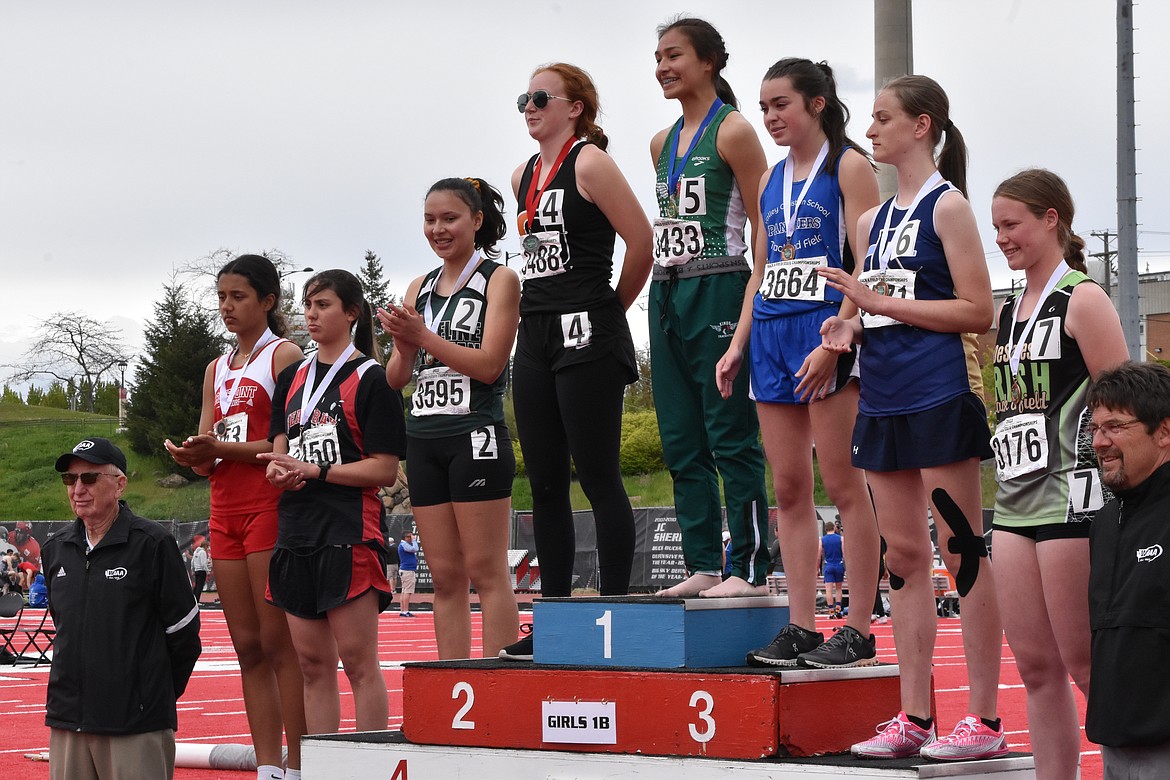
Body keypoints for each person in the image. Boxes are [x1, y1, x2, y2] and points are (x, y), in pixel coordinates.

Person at [818, 75, 1005, 759]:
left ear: (921, 126)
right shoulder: (870, 221)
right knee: (903, 556)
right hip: (883, 395)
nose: (870, 130)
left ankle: (983, 721)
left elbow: (977, 311)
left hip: (938, 390)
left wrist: (882, 306)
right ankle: (914, 716)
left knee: (962, 550)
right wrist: (849, 326)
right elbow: (870, 302)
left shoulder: (947, 207)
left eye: (882, 118)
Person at [729, 58, 882, 669]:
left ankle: (860, 627)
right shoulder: (768, 179)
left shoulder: (849, 165)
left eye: (781, 105)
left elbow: (870, 263)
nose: (770, 117)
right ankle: (800, 624)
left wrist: (840, 336)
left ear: (817, 104)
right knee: (788, 490)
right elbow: (761, 267)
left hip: (826, 333)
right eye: (764, 107)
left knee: (844, 485)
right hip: (771, 333)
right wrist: (738, 343)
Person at [500, 62, 653, 661]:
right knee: (543, 482)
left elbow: (640, 239)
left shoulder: (589, 161)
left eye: (541, 97)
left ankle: (612, 605)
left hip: (587, 324)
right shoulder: (521, 176)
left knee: (596, 473)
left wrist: (612, 306)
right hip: (534, 332)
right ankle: (556, 615)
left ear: (575, 108)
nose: (530, 107)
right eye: (524, 98)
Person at [987, 169, 1127, 778]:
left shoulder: (1083, 298)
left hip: (1073, 500)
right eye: (995, 228)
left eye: (1012, 225)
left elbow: (1128, 403)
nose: (1002, 238)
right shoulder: (1009, 308)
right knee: (1036, 668)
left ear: (1052, 219)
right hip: (1014, 504)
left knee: (1086, 662)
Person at [165, 253, 308, 780]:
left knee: (277, 643)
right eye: (221, 297)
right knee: (247, 646)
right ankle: (267, 764)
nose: (227, 307)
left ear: (268, 301)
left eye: (238, 297)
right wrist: (194, 454)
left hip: (268, 507)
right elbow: (212, 450)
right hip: (223, 509)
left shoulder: (284, 354)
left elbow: (283, 443)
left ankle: (298, 761)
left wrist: (222, 449)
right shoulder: (214, 368)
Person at [647, 17, 771, 600]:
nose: (663, 68)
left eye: (674, 56)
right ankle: (701, 560)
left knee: (729, 432)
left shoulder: (736, 131)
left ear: (709, 62)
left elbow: (766, 227)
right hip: (666, 290)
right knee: (680, 436)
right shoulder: (660, 143)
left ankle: (748, 567)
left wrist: (752, 307)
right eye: (657, 58)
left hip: (721, 284)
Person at [260, 269, 407, 735]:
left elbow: (384, 469)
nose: (311, 314)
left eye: (323, 304)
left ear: (351, 313)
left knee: (359, 665)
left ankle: (367, 767)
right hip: (296, 530)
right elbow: (280, 450)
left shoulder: (373, 379)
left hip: (348, 531)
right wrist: (279, 469)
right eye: (307, 304)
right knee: (311, 667)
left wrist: (317, 471)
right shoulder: (291, 377)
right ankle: (322, 766)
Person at [382, 176, 521, 658]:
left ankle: (501, 686)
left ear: (477, 221)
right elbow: (397, 378)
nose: (438, 229)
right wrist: (404, 346)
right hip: (423, 436)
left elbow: (489, 365)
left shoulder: (498, 279)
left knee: (486, 570)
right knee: (443, 576)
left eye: (449, 219)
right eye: (429, 220)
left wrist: (424, 338)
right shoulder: (418, 288)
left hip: (474, 434)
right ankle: (453, 681)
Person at [43, 437, 201, 780]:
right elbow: (65, 626)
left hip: (136, 725)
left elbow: (184, 635)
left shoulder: (153, 544)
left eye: (89, 478)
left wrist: (149, 697)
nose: (77, 489)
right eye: (70, 480)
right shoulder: (55, 549)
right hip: (69, 722)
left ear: (120, 484)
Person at [1084, 362, 1170, 778]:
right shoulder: (1105, 521)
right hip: (1116, 743)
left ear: (1163, 432)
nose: (1099, 442)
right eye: (1096, 428)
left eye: (1115, 426)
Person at [820, 521, 845, 618]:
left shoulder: (822, 540)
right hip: (839, 564)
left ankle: (831, 611)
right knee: (839, 588)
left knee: (829, 590)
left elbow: (819, 556)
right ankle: (838, 609)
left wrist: (817, 569)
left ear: (825, 529)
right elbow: (844, 553)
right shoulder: (841, 539)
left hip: (828, 565)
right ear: (834, 528)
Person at [397, 531, 419, 618]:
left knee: (404, 591)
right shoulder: (404, 545)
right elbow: (415, 549)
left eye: (411, 536)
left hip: (406, 570)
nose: (410, 538)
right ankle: (405, 611)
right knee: (407, 591)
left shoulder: (403, 545)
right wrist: (414, 541)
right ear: (404, 538)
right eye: (408, 537)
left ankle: (403, 610)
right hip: (407, 570)